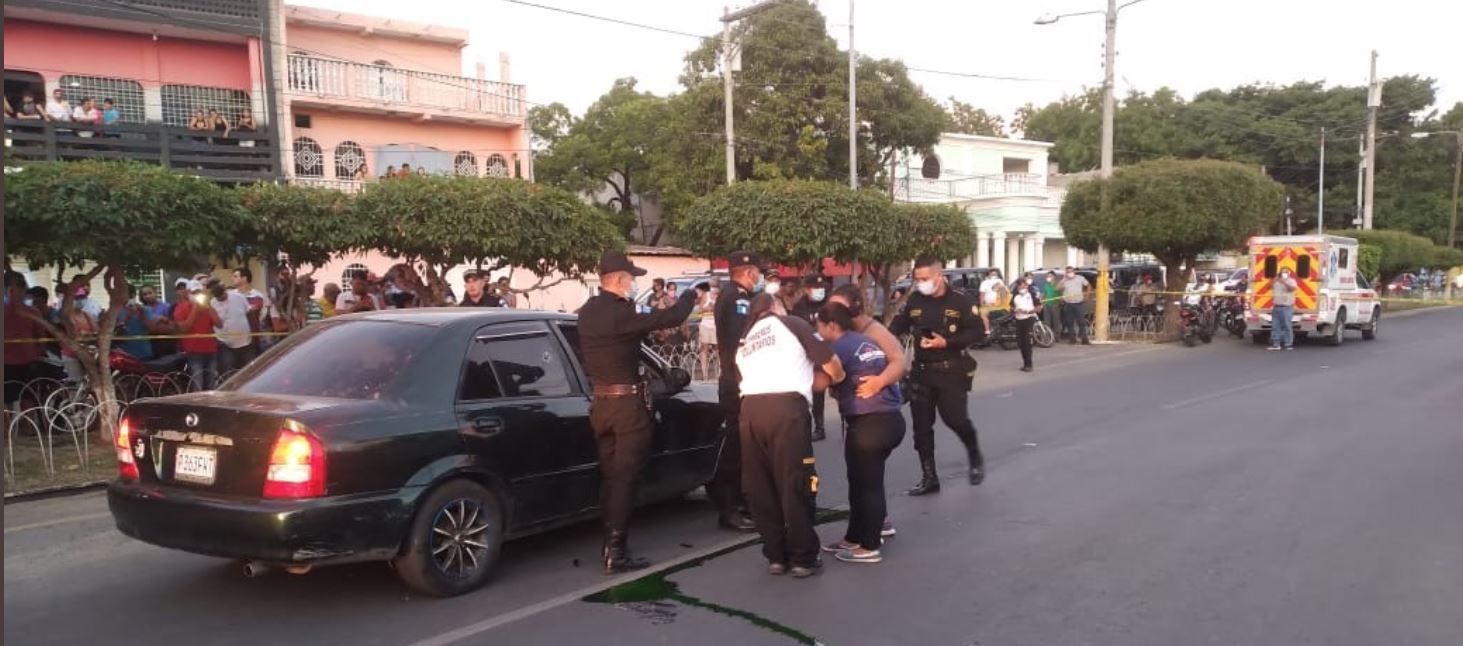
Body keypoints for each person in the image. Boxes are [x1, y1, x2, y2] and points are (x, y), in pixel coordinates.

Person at [577, 250, 697, 573]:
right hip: (627, 407)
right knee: (626, 479)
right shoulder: (623, 312)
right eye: (630, 279)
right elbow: (669, 318)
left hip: (601, 405)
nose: (633, 285)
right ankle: (616, 550)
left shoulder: (586, 312)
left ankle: (609, 542)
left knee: (611, 476)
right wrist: (690, 296)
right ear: (617, 280)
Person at [736, 293, 844, 578]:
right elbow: (829, 361)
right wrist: (839, 377)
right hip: (786, 410)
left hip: (750, 411)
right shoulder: (792, 324)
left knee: (762, 487)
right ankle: (803, 558)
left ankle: (776, 556)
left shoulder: (746, 338)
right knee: (794, 482)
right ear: (775, 308)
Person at [889, 254, 988, 495]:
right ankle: (929, 477)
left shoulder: (960, 301)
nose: (921, 283)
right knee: (921, 428)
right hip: (921, 372)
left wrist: (947, 342)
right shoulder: (915, 300)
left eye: (925, 278)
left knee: (955, 420)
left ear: (939, 276)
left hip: (951, 370)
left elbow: (977, 332)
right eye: (917, 279)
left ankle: (974, 454)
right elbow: (897, 327)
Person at [815, 302, 903, 564]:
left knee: (869, 486)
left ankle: (870, 545)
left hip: (870, 423)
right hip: (888, 419)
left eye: (819, 326)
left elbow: (821, 382)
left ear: (831, 325)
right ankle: (854, 537)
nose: (817, 331)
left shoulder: (837, 347)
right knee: (859, 482)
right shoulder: (863, 341)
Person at [710, 251, 766, 533]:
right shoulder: (737, 299)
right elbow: (740, 341)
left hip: (741, 381)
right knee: (736, 448)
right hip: (738, 382)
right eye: (757, 271)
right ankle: (729, 509)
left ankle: (744, 504)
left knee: (746, 448)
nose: (760, 277)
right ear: (748, 272)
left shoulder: (735, 295)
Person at [789, 275, 828, 441]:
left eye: (821, 287)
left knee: (831, 388)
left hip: (828, 350)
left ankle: (826, 425)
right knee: (810, 390)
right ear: (806, 289)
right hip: (807, 353)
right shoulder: (800, 306)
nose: (820, 291)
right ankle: (813, 426)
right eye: (815, 288)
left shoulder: (829, 304)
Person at [5, 271, 51, 410]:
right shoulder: (32, 312)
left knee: (27, 397)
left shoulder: (33, 312)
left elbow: (41, 338)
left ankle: (25, 428)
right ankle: (11, 429)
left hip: (29, 362)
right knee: (15, 398)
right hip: (11, 363)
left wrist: (38, 356)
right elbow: (42, 338)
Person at [173, 280, 221, 390]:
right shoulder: (181, 307)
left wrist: (208, 307)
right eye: (193, 292)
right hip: (194, 351)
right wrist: (194, 308)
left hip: (211, 350)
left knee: (211, 384)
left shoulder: (207, 306)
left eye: (198, 292)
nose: (196, 295)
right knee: (198, 384)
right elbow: (184, 328)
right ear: (188, 293)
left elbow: (219, 324)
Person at [210, 279, 252, 377]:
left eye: (222, 294)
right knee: (228, 374)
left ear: (225, 290)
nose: (221, 297)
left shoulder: (238, 297)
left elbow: (249, 313)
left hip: (245, 342)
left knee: (248, 373)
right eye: (218, 297)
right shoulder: (212, 304)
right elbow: (216, 324)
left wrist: (254, 335)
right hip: (225, 344)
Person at [232, 267, 269, 356]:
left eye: (235, 276)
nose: (232, 278)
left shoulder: (258, 296)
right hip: (233, 341)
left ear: (244, 278)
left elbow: (262, 316)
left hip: (253, 340)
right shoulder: (231, 296)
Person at [1011, 275, 1039, 373]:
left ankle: (1029, 365)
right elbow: (1011, 307)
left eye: (1024, 286)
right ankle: (1024, 363)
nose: (1023, 288)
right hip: (1019, 320)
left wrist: (1030, 311)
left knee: (1027, 342)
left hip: (1028, 319)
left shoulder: (1032, 295)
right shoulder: (1015, 296)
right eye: (1020, 287)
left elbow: (1039, 307)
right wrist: (1015, 310)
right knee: (1021, 343)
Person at [1057, 267, 1091, 345]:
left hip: (1078, 303)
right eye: (1068, 272)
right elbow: (1057, 288)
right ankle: (1072, 339)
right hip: (1068, 303)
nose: (1069, 273)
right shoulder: (1065, 280)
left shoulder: (1080, 278)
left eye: (1071, 272)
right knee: (1070, 322)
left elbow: (1088, 285)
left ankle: (1084, 339)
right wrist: (1064, 279)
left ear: (1074, 271)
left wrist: (1087, 295)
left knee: (1081, 322)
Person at [1270, 267, 1298, 351]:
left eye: (1285, 272)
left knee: (1287, 325)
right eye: (1282, 272)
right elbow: (1269, 287)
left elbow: (1292, 289)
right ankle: (1276, 343)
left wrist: (1284, 283)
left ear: (1289, 273)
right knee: (1275, 326)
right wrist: (1275, 280)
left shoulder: (1291, 281)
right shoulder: (1277, 281)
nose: (1284, 274)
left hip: (1287, 307)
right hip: (1276, 306)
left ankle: (1288, 343)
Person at [694, 283, 718, 381]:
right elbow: (698, 310)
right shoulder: (705, 296)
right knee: (704, 348)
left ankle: (719, 372)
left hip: (716, 325)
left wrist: (715, 309)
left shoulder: (720, 296)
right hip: (705, 325)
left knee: (718, 349)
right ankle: (705, 374)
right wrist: (706, 308)